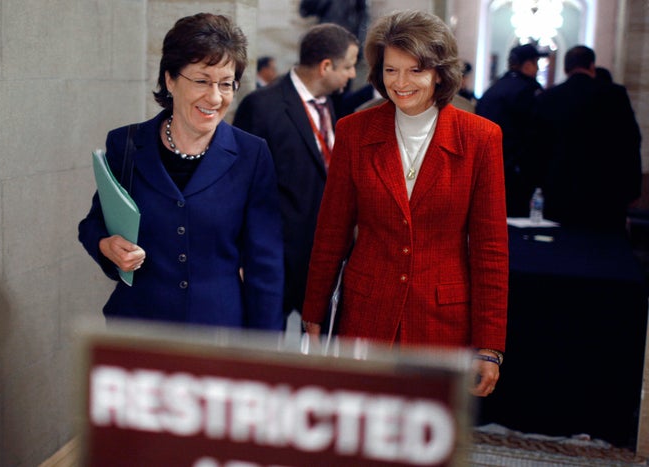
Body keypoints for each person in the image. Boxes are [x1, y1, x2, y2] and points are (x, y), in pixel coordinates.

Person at [301, 10, 508, 398]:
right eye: (391, 70)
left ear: (439, 73)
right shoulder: (354, 131)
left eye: (415, 70)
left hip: (442, 321)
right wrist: (313, 313)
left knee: (427, 438)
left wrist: (490, 345)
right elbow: (331, 231)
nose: (401, 83)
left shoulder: (481, 138)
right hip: (364, 313)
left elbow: (490, 249)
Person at [78, 13, 284, 330]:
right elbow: (94, 225)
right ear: (171, 79)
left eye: (226, 84)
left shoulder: (252, 155)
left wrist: (265, 356)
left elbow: (265, 266)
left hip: (218, 333)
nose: (215, 97)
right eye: (201, 81)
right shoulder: (127, 145)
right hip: (138, 331)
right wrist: (107, 246)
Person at [232, 23, 359, 322]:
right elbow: (239, 185)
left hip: (322, 260)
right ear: (326, 66)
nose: (353, 74)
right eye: (349, 66)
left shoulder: (334, 104)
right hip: (275, 259)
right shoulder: (262, 106)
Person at [533, 45, 642, 232]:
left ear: (566, 69)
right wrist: (633, 189)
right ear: (592, 66)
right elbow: (630, 142)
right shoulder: (614, 95)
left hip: (560, 189)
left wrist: (538, 185)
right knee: (604, 252)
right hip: (606, 190)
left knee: (561, 249)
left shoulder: (549, 97)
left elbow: (538, 146)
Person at [476, 43, 548, 217]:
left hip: (486, 167)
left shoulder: (493, 89)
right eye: (536, 63)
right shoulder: (528, 90)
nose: (537, 69)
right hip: (515, 171)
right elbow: (534, 133)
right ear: (528, 65)